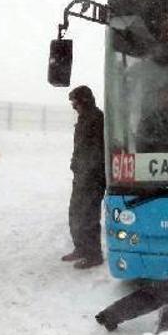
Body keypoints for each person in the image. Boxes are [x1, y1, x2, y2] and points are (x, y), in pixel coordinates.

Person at [61, 85, 107, 269]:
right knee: (76, 212)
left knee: (88, 215)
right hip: (82, 174)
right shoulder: (84, 118)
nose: (73, 105)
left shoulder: (96, 119)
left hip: (93, 176)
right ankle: (81, 248)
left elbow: (96, 150)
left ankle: (93, 254)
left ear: (83, 101)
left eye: (75, 101)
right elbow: (81, 148)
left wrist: (89, 170)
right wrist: (76, 165)